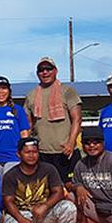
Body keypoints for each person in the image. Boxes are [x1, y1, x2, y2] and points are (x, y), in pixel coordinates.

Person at [1, 138, 76, 223]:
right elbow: (8, 201)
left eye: (35, 152)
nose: (31, 155)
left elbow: (59, 192)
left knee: (69, 207)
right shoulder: (11, 175)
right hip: (22, 213)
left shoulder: (49, 169)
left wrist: (45, 206)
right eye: (27, 152)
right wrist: (21, 219)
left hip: (44, 213)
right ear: (18, 154)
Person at [24, 57, 82, 189]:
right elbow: (28, 124)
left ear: (55, 71)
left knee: (72, 188)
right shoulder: (31, 95)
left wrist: (71, 143)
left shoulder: (68, 91)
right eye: (41, 70)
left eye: (48, 69)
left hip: (65, 151)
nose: (45, 72)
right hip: (42, 153)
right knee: (46, 190)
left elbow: (77, 119)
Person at [0, 76, 30, 176]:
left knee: (9, 189)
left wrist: (25, 154)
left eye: (4, 88)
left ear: (9, 91)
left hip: (13, 157)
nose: (1, 92)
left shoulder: (17, 109)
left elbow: (24, 133)